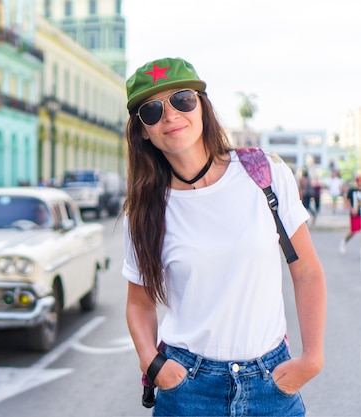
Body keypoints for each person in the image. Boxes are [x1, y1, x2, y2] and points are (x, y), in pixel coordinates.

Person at [122, 57, 325, 416]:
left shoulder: (264, 174)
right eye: (151, 110)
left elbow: (306, 270)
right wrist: (153, 365)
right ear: (142, 130)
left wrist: (311, 360)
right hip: (187, 389)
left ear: (202, 105)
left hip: (270, 383)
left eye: (182, 99)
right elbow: (139, 302)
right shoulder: (144, 211)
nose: (170, 116)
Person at [339, 175, 361, 254]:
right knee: (353, 231)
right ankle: (344, 241)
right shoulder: (352, 190)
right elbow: (347, 201)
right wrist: (351, 209)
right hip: (355, 214)